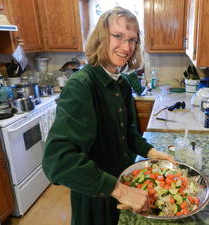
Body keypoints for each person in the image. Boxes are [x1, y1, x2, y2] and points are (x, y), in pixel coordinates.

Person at [42, 6, 175, 225]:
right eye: (118, 36)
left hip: (122, 185)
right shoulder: (82, 85)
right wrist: (119, 191)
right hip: (95, 194)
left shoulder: (120, 83)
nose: (126, 47)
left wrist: (150, 151)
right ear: (101, 37)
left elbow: (128, 131)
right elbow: (57, 161)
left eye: (133, 40)